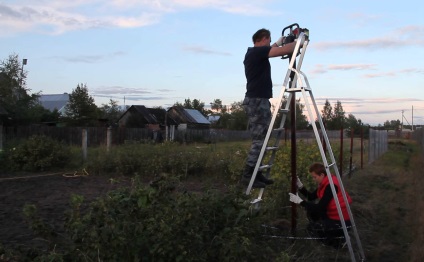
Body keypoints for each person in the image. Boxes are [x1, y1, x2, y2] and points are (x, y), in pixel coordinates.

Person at [241, 28, 297, 188]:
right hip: (257, 100)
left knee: (263, 139)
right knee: (259, 140)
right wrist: (298, 40)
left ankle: (256, 173)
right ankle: (248, 174)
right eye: (269, 39)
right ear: (263, 38)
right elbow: (285, 50)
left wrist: (280, 41)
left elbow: (273, 48)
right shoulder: (256, 52)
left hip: (259, 100)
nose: (269, 42)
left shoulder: (255, 53)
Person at [289, 162, 352, 248]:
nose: (313, 179)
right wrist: (300, 186)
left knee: (311, 228)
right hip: (333, 215)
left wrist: (300, 202)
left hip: (342, 222)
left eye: (314, 177)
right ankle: (330, 234)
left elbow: (320, 208)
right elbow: (311, 197)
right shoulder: (325, 182)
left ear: (322, 175)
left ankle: (339, 242)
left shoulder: (331, 186)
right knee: (312, 212)